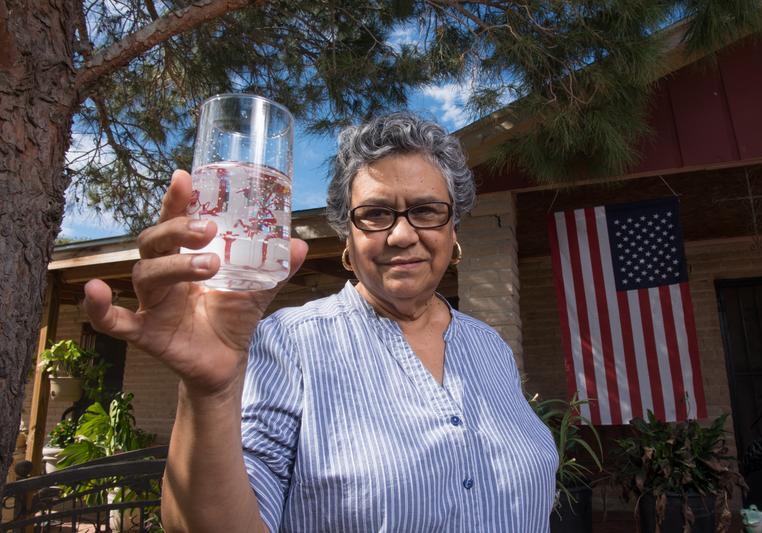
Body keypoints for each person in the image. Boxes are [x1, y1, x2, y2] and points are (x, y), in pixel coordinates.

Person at [84, 112, 558, 532]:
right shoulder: (290, 344)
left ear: (453, 228)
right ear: (347, 241)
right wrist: (209, 393)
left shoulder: (489, 347)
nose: (400, 234)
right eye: (374, 214)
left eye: (427, 210)